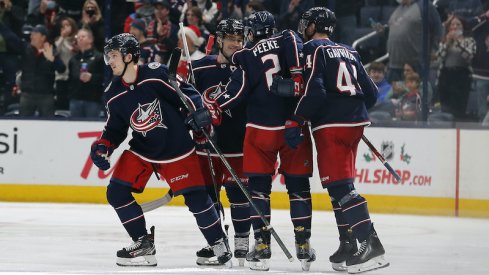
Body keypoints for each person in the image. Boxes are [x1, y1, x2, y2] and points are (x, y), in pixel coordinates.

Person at [90, 33, 231, 267]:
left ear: (129, 56)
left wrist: (199, 114)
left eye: (113, 56)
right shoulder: (113, 93)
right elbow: (115, 128)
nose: (110, 61)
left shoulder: (155, 75)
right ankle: (142, 242)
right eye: (108, 56)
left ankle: (219, 244)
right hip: (143, 150)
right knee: (116, 193)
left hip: (176, 148)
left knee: (197, 199)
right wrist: (104, 146)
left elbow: (188, 94)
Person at [205, 11, 315, 271]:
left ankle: (262, 248)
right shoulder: (290, 39)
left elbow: (233, 95)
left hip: (260, 131)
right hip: (293, 127)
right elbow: (311, 80)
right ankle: (303, 245)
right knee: (299, 188)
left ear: (251, 33)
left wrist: (209, 109)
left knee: (258, 190)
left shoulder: (246, 55)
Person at [292, 7, 389, 273]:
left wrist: (297, 118)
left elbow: (315, 91)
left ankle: (370, 245)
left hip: (331, 125)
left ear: (314, 26)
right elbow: (371, 92)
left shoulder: (314, 49)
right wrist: (352, 110)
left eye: (307, 24)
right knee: (341, 184)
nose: (304, 28)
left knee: (340, 188)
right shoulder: (350, 50)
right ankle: (348, 243)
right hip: (354, 123)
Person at [191, 18, 251, 267]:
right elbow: (190, 103)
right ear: (219, 40)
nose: (235, 44)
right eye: (230, 39)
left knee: (239, 195)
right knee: (210, 196)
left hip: (239, 143)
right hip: (208, 146)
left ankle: (242, 243)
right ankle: (218, 242)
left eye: (239, 39)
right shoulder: (200, 68)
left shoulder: (248, 67)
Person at [19, 24, 65, 117]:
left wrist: (53, 59)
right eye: (31, 34)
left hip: (46, 95)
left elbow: (62, 69)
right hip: (27, 94)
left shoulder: (51, 50)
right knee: (24, 123)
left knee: (48, 124)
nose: (31, 36)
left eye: (35, 34)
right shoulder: (26, 49)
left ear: (43, 37)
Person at [435, 15, 476, 121]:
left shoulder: (469, 41)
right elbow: (439, 57)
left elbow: (469, 56)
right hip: (446, 76)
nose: (455, 27)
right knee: (445, 107)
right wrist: (447, 43)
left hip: (461, 77)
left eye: (458, 24)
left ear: (463, 27)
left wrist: (457, 43)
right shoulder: (445, 41)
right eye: (452, 24)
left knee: (458, 108)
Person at [67, 27, 104, 118]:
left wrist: (91, 77)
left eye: (83, 36)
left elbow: (105, 78)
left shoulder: (99, 57)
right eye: (78, 37)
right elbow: (70, 78)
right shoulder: (73, 59)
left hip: (92, 100)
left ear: (90, 39)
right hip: (75, 100)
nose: (79, 39)